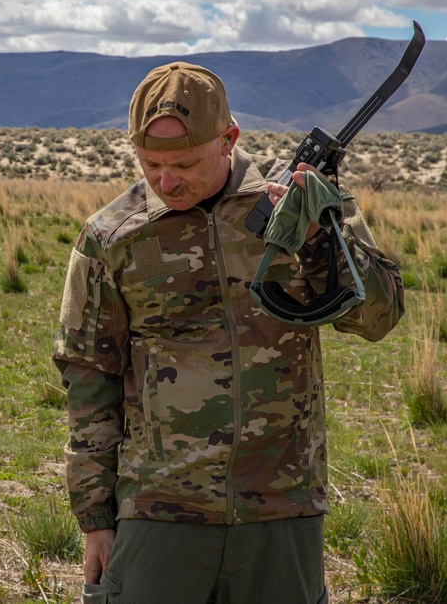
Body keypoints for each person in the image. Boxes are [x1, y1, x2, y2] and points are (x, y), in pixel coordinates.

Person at [52, 62, 404, 604]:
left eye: (186, 163)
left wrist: (315, 239)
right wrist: (95, 516)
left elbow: (379, 318)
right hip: (158, 511)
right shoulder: (112, 237)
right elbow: (88, 377)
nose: (167, 181)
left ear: (230, 140)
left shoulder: (301, 206)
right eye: (150, 165)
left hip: (282, 509)